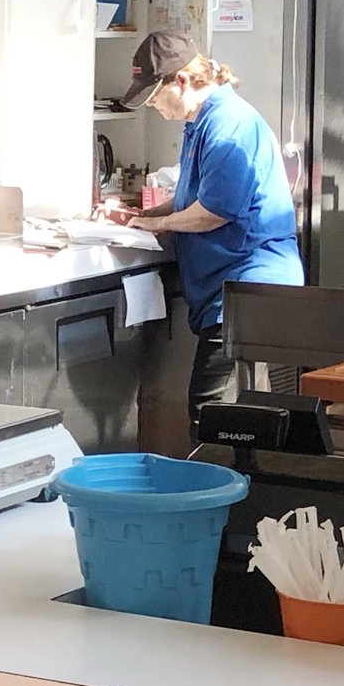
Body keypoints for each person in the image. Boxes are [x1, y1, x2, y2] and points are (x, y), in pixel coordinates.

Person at [119, 29, 303, 434]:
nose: (155, 108)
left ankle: (230, 494)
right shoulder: (203, 122)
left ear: (182, 82)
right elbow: (195, 198)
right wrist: (139, 214)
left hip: (250, 291)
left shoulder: (227, 126)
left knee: (212, 413)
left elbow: (215, 212)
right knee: (237, 416)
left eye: (155, 98)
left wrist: (159, 223)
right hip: (236, 291)